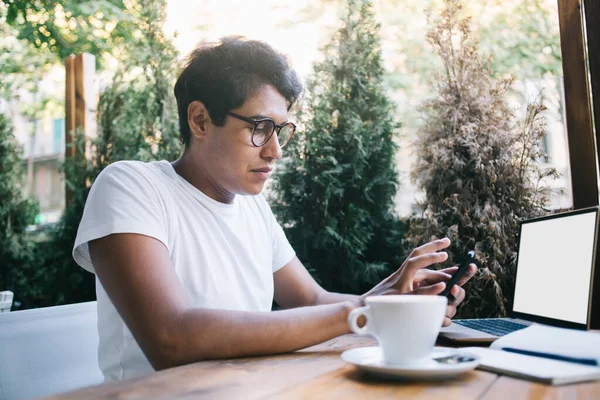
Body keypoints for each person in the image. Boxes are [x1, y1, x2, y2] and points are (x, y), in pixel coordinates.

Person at [73, 36, 477, 381]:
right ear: (199, 119)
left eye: (281, 130)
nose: (276, 150)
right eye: (259, 128)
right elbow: (170, 338)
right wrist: (366, 309)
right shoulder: (131, 186)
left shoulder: (253, 208)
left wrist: (395, 303)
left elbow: (311, 301)